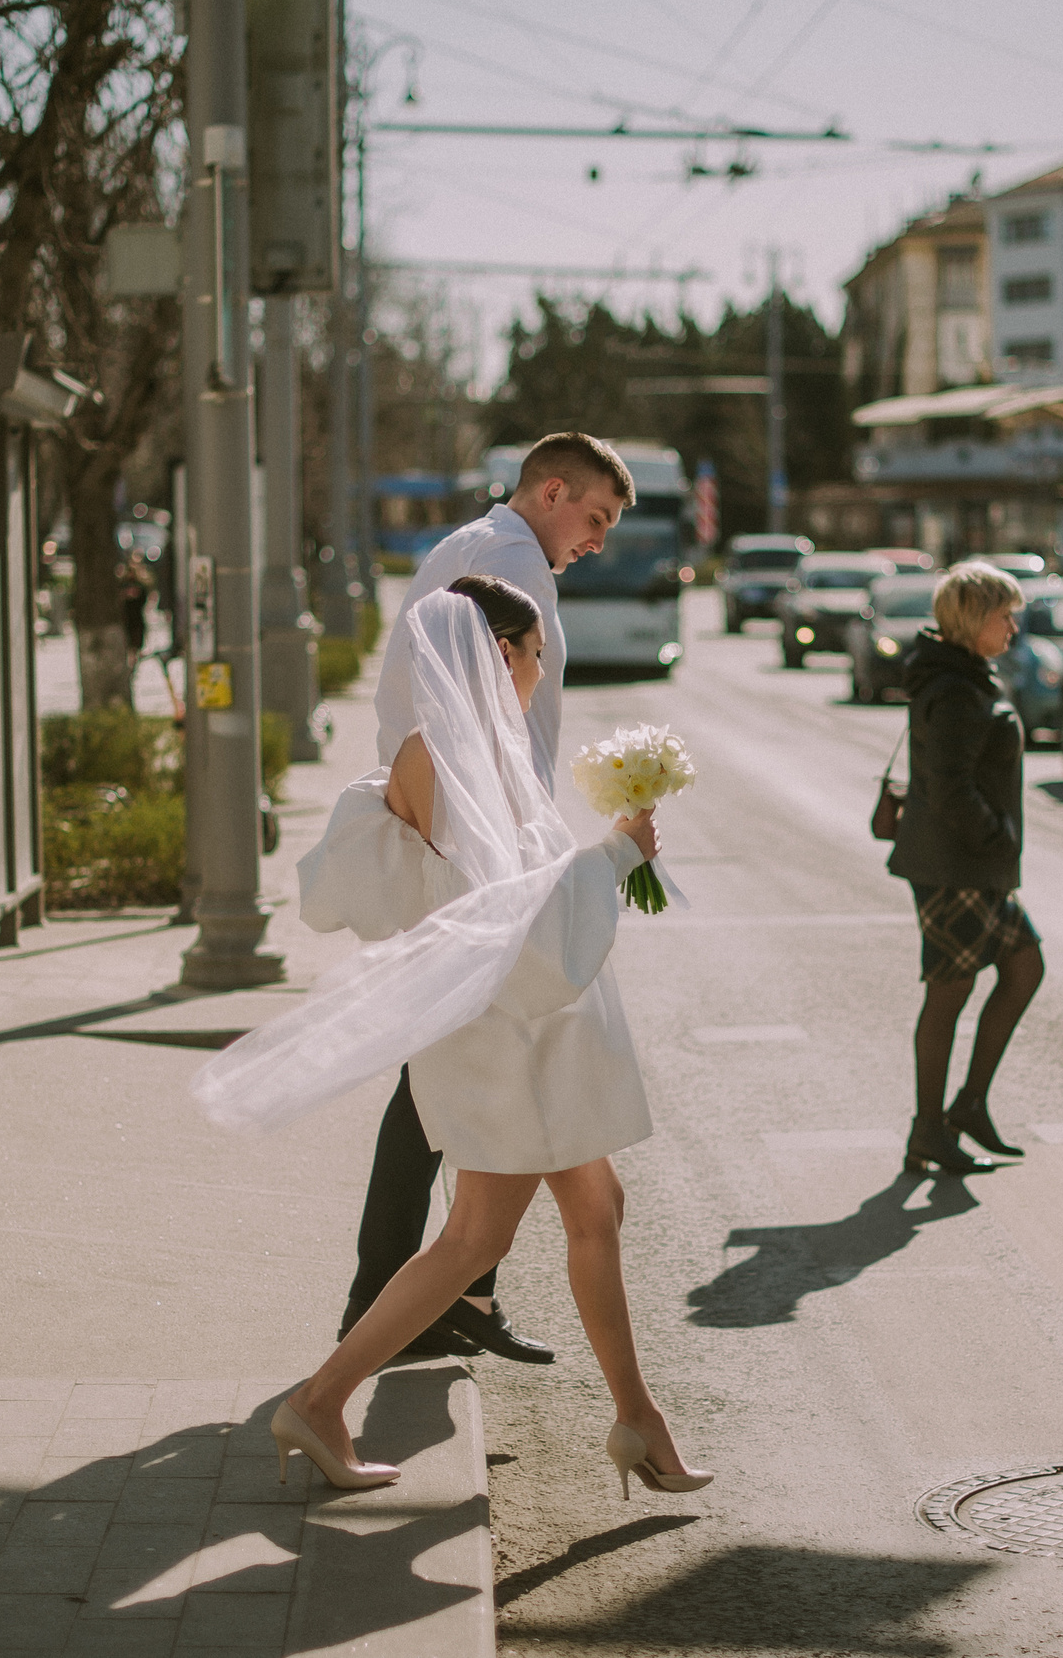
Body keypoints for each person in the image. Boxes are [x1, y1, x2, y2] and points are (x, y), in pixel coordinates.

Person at [207, 579, 709, 1499]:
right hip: (497, 1035)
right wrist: (616, 855)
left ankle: (639, 1418)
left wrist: (601, 857)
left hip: (527, 1031)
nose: (542, 670)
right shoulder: (439, 756)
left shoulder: (475, 748)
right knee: (476, 1236)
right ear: (499, 652)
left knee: (597, 1208)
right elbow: (495, 910)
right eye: (537, 652)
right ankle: (320, 1400)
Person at [339, 433, 631, 1364]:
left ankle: (431, 1297)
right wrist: (536, 845)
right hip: (479, 853)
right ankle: (400, 1308)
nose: (595, 541)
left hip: (440, 832)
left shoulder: (461, 544)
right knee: (454, 1091)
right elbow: (518, 719)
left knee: (436, 1095)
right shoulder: (512, 563)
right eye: (594, 518)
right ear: (552, 491)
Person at [888, 561, 1043, 1177]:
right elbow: (950, 789)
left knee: (1025, 966)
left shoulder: (964, 675)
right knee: (948, 995)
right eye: (1005, 616)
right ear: (976, 620)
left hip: (978, 868)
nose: (1013, 627)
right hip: (958, 868)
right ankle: (928, 1130)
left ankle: (970, 1105)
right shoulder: (954, 689)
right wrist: (996, 834)